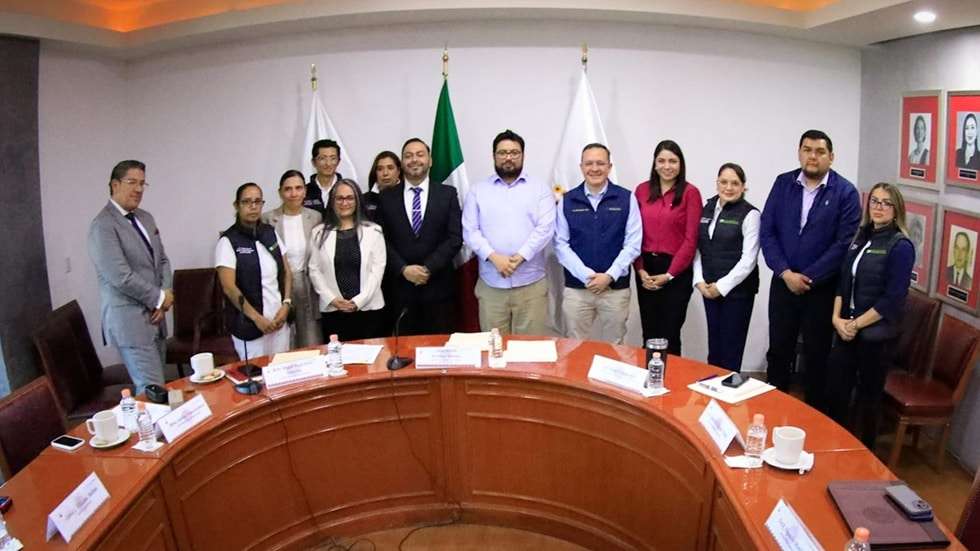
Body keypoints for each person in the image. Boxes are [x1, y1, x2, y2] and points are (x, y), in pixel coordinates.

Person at [760, 129, 861, 409]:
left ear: (831, 156)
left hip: (821, 290)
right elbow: (767, 231)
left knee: (817, 356)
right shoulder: (783, 183)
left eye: (819, 151)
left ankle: (814, 419)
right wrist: (785, 272)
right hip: (783, 283)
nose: (812, 156)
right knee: (779, 351)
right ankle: (772, 412)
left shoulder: (845, 192)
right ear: (799, 152)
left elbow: (843, 244)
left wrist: (808, 278)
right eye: (807, 150)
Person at [827, 182, 914, 449]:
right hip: (846, 328)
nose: (879, 207)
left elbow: (892, 299)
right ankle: (835, 448)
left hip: (876, 336)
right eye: (875, 201)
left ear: (896, 209)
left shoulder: (900, 246)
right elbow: (843, 282)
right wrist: (837, 319)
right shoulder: (861, 237)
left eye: (886, 203)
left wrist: (855, 324)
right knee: (836, 392)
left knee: (868, 399)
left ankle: (865, 454)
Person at [88, 160, 173, 394]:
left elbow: (162, 260)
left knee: (160, 385)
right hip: (130, 321)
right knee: (151, 390)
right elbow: (120, 277)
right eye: (132, 182)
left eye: (142, 183)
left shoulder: (146, 218)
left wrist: (166, 295)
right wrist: (158, 298)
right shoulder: (102, 225)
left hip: (157, 318)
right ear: (115, 185)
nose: (138, 189)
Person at [463, 129, 556, 336]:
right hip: (491, 285)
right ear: (494, 156)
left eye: (514, 152)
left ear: (523, 155)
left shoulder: (540, 189)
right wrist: (494, 257)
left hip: (531, 286)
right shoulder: (478, 190)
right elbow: (470, 231)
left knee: (530, 349)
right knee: (494, 347)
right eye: (502, 152)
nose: (508, 157)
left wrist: (520, 257)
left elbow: (546, 228)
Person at [554, 143, 640, 344]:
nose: (594, 168)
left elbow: (633, 244)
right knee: (574, 346)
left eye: (600, 163)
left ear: (609, 167)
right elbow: (560, 244)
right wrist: (587, 276)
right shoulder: (567, 200)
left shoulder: (626, 198)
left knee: (615, 346)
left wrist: (609, 276)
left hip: (615, 290)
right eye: (589, 163)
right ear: (581, 167)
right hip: (577, 289)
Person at [375, 138, 462, 335]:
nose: (414, 160)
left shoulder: (447, 194)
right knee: (404, 349)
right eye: (408, 156)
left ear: (430, 160)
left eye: (420, 154)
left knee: (441, 348)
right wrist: (403, 269)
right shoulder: (386, 197)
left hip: (439, 290)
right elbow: (381, 240)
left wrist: (428, 268)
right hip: (400, 291)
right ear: (402, 163)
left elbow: (455, 237)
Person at [633, 140, 702, 355]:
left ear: (681, 164)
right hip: (646, 269)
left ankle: (671, 376)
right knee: (649, 332)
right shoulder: (641, 190)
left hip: (676, 272)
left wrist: (669, 274)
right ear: (654, 164)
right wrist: (640, 269)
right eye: (661, 161)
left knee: (669, 334)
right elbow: (634, 234)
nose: (667, 166)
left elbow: (691, 239)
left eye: (673, 161)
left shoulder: (690, 193)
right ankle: (649, 374)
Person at [692, 163, 760, 372]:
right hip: (708, 289)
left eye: (735, 183)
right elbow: (699, 248)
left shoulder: (750, 214)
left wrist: (720, 287)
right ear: (717, 183)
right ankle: (712, 388)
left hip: (737, 293)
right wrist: (699, 281)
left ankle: (729, 390)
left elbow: (748, 260)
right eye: (724, 182)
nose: (728, 187)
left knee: (731, 349)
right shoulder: (707, 209)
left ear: (743, 187)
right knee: (715, 348)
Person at [216, 183, 292, 360]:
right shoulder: (228, 241)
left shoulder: (270, 233)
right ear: (237, 205)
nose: (253, 206)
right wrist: (257, 319)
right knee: (257, 375)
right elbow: (229, 288)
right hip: (250, 328)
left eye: (258, 201)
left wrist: (286, 304)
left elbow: (287, 272)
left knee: (282, 371)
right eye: (247, 201)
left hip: (279, 322)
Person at [308, 179, 386, 341]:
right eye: (340, 198)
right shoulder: (318, 233)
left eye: (350, 198)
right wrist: (332, 299)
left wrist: (358, 301)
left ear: (358, 201)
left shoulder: (374, 231)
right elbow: (314, 270)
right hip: (334, 310)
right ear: (332, 201)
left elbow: (377, 272)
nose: (344, 203)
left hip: (368, 310)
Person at [261, 170, 322, 348]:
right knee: (283, 341)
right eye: (288, 189)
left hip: (308, 284)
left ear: (305, 191)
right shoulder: (267, 219)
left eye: (298, 188)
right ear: (280, 192)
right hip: (280, 285)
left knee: (311, 340)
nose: (293, 193)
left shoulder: (315, 217)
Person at [304, 139, 345, 216]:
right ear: (313, 162)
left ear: (338, 161)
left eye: (333, 158)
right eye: (322, 158)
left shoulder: (348, 190)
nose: (328, 163)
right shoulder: (304, 192)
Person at [364, 151, 402, 222]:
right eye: (380, 169)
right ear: (375, 173)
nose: (385, 173)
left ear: (398, 171)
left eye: (390, 168)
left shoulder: (408, 197)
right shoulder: (363, 200)